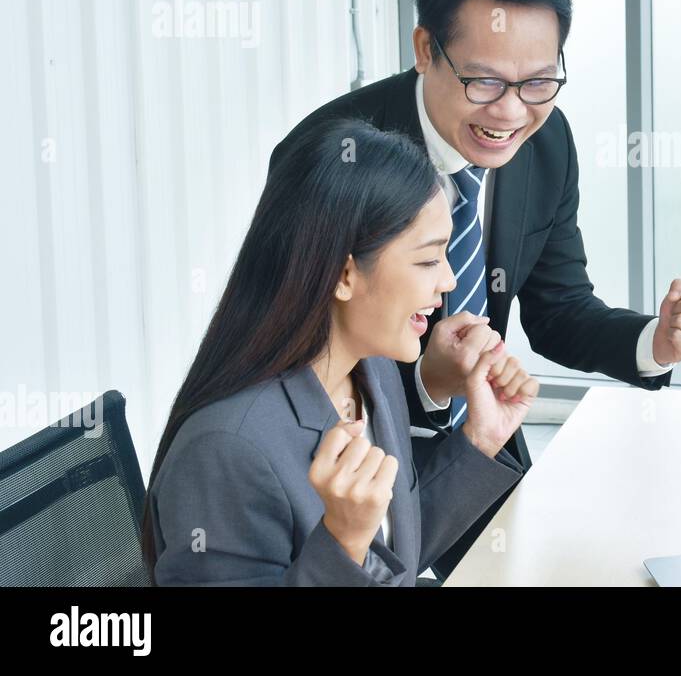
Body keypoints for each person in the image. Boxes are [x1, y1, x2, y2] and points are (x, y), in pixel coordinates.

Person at [270, 0, 681, 575]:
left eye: (538, 82)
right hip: (345, 466)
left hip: (480, 441)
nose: (510, 112)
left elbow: (559, 309)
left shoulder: (545, 143)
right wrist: (427, 385)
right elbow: (295, 357)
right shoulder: (332, 156)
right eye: (483, 81)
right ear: (425, 49)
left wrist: (656, 342)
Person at [143, 118, 537, 585]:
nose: (449, 281)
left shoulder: (371, 370)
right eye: (429, 259)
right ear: (344, 275)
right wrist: (342, 544)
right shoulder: (226, 450)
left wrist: (480, 441)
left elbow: (399, 559)